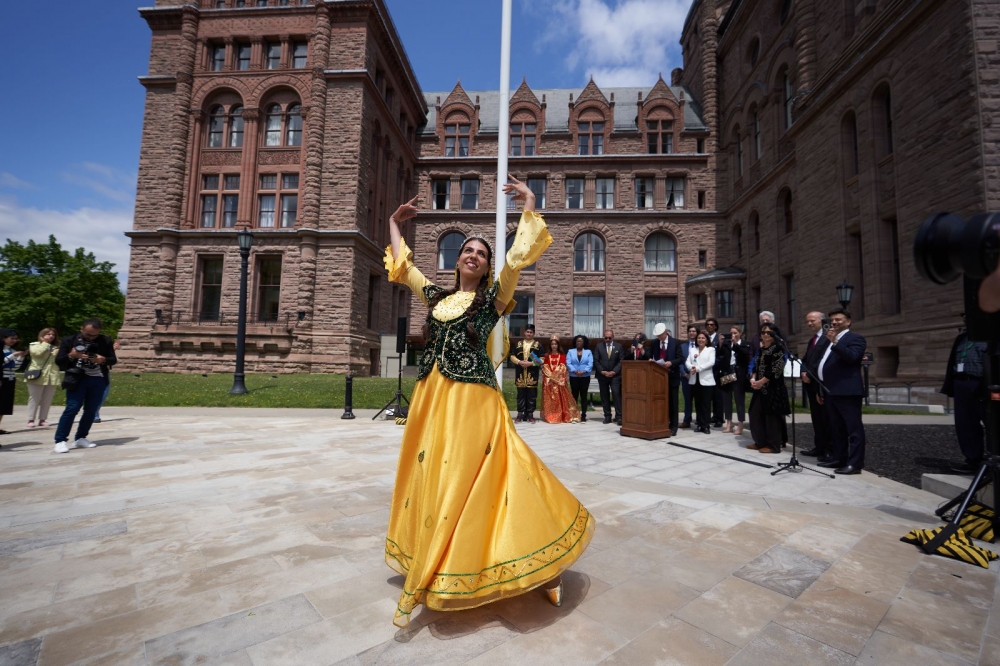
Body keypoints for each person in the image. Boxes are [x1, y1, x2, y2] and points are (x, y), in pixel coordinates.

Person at [381, 177, 593, 627]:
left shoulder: (491, 301)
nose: (473, 255)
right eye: (467, 251)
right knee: (435, 478)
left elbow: (518, 258)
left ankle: (539, 566)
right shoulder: (436, 296)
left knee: (475, 478)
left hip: (473, 400)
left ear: (485, 264)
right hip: (433, 401)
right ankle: (440, 560)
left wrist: (530, 204)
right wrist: (393, 224)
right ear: (457, 260)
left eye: (481, 253)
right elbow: (404, 268)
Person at [53, 319, 118, 454]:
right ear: (81, 329)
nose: (91, 337)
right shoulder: (69, 340)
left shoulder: (104, 340)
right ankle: (60, 440)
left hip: (98, 379)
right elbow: (59, 361)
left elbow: (113, 359)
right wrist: (71, 355)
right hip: (77, 379)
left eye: (95, 335)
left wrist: (103, 359)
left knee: (91, 410)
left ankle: (81, 437)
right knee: (72, 408)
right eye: (88, 334)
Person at [815, 309, 867, 475]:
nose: (834, 322)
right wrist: (820, 389)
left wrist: (836, 342)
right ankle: (839, 457)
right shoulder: (829, 341)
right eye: (832, 320)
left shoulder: (855, 338)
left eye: (838, 319)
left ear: (848, 321)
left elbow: (852, 357)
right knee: (837, 428)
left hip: (847, 392)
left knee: (853, 429)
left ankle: (855, 463)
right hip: (830, 391)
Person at [940, 317, 988, 474]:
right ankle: (973, 461)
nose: (967, 321)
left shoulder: (991, 337)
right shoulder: (962, 338)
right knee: (966, 425)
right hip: (961, 383)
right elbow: (952, 361)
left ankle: (994, 460)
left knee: (992, 423)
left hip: (982, 384)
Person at [746, 323, 790, 453]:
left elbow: (775, 369)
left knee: (772, 418)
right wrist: (753, 379)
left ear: (774, 334)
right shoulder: (762, 349)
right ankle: (760, 442)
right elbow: (755, 366)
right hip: (760, 388)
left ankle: (774, 445)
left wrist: (762, 381)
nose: (765, 335)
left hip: (774, 388)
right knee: (754, 413)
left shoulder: (779, 349)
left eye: (769, 332)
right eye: (763, 332)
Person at [800, 311, 832, 459]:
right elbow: (806, 359)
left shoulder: (827, 338)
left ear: (822, 320)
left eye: (812, 320)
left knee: (826, 419)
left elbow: (822, 360)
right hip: (810, 385)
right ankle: (819, 447)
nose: (809, 323)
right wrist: (802, 372)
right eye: (807, 321)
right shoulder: (812, 340)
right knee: (816, 419)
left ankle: (828, 450)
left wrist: (810, 374)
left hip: (821, 384)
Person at [648, 322, 682, 435]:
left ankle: (674, 426)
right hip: (659, 378)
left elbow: (680, 358)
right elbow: (650, 355)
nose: (659, 338)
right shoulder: (654, 343)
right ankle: (663, 423)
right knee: (661, 402)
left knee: (673, 403)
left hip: (672, 377)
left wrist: (671, 363)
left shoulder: (675, 342)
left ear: (666, 332)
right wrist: (650, 360)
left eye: (660, 335)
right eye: (657, 336)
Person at [25, 328, 61, 428]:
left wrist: (58, 353)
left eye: (53, 334)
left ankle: (43, 419)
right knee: (34, 398)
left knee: (47, 399)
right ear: (42, 335)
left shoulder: (56, 347)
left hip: (51, 375)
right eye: (48, 334)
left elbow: (59, 360)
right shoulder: (34, 345)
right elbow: (37, 353)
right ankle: (31, 419)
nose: (51, 336)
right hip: (37, 375)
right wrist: (45, 343)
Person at [541, 336, 581, 424]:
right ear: (550, 345)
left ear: (558, 345)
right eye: (552, 344)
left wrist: (554, 377)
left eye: (555, 344)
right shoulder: (547, 356)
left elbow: (562, 367)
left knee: (561, 399)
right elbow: (545, 367)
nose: (554, 346)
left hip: (559, 382)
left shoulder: (562, 356)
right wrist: (550, 377)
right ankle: (551, 415)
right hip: (549, 382)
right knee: (552, 400)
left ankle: (562, 415)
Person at [718, 327, 750, 434]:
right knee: (727, 399)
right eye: (731, 333)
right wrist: (721, 343)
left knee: (739, 399)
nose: (733, 335)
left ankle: (741, 424)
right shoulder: (727, 344)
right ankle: (729, 423)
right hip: (728, 373)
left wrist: (736, 344)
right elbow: (720, 355)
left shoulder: (745, 344)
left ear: (740, 333)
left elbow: (745, 356)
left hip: (739, 374)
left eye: (735, 333)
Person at [509, 325, 542, 423]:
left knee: (532, 395)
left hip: (532, 374)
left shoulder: (537, 345)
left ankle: (530, 414)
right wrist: (519, 362)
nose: (529, 334)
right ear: (524, 333)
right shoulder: (518, 344)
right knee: (521, 395)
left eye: (531, 332)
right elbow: (511, 356)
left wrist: (530, 363)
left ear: (534, 333)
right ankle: (520, 414)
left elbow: (542, 359)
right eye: (527, 332)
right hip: (520, 374)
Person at [685, 330, 716, 434]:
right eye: (699, 338)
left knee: (706, 404)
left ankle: (706, 425)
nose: (700, 340)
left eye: (703, 338)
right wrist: (692, 368)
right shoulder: (693, 350)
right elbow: (687, 362)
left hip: (706, 381)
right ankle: (699, 424)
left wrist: (697, 368)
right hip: (695, 380)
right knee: (698, 403)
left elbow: (711, 362)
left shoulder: (710, 350)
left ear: (706, 340)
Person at [594, 329, 624, 424]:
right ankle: (607, 416)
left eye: (609, 337)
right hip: (602, 376)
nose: (607, 339)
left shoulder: (619, 346)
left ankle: (619, 416)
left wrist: (614, 372)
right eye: (606, 337)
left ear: (613, 337)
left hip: (615, 376)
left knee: (616, 395)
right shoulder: (599, 346)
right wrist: (602, 371)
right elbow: (596, 360)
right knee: (604, 396)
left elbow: (621, 361)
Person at [1, 330, 27, 435]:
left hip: (10, 379)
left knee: (3, 407)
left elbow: (15, 367)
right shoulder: (2, 350)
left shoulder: (12, 350)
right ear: (4, 338)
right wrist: (13, 355)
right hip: (2, 378)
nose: (14, 340)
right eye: (12, 338)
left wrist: (21, 356)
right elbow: (1, 362)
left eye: (16, 338)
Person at [566, 335, 593, 422]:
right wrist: (575, 371)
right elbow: (568, 362)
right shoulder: (570, 351)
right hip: (574, 376)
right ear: (575, 342)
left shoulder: (588, 352)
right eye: (578, 341)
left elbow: (590, 363)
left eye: (581, 341)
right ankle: (574, 414)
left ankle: (584, 414)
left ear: (584, 342)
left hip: (585, 376)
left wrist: (584, 371)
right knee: (574, 396)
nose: (579, 343)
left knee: (584, 396)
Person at [93, 339, 121, 423]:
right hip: (90, 371)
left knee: (104, 392)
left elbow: (112, 359)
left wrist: (112, 350)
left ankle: (95, 411)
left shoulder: (105, 344)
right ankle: (93, 413)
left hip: (103, 371)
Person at [705, 318, 725, 427]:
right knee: (710, 395)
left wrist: (712, 363)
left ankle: (719, 418)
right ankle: (714, 416)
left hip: (717, 371)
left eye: (712, 325)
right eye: (708, 325)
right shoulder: (705, 339)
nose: (709, 326)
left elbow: (722, 356)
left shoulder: (720, 339)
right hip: (707, 372)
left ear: (715, 326)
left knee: (718, 395)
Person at [678, 324, 698, 428]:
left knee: (699, 399)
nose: (692, 333)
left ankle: (700, 421)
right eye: (690, 331)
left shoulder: (701, 346)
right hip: (686, 377)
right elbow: (680, 362)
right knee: (687, 399)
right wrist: (684, 373)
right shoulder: (683, 347)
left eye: (694, 331)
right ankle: (687, 420)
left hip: (698, 377)